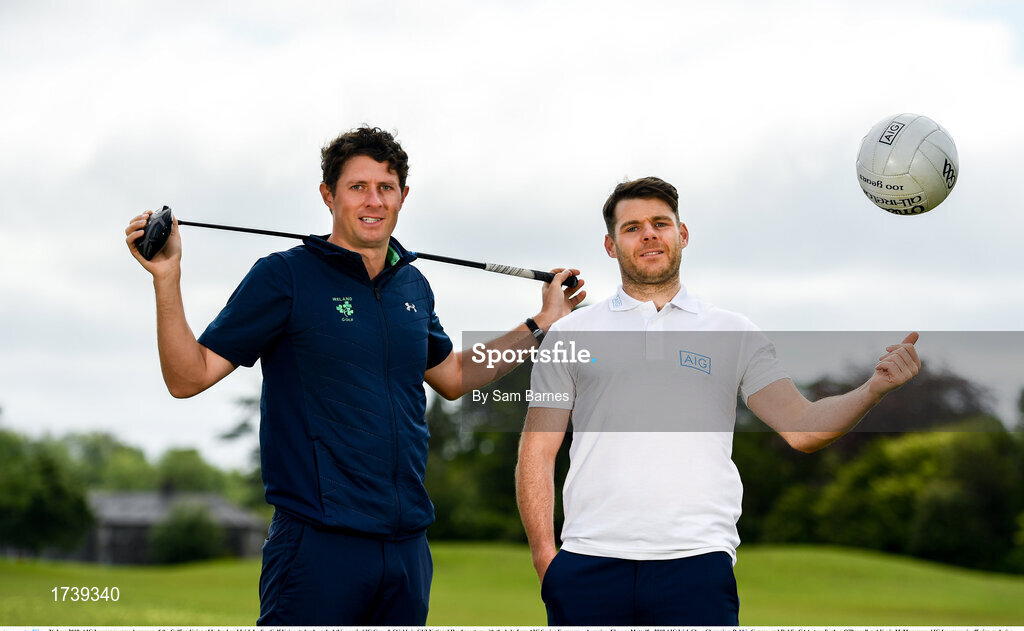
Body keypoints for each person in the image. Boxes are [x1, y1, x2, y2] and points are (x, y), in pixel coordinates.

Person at [124, 126, 586, 626]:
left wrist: (541, 325)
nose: (374, 201)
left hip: (407, 549)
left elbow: (453, 376)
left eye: (386, 188)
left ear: (404, 197)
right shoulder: (284, 276)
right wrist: (168, 277)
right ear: (328, 195)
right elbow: (187, 377)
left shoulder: (413, 284)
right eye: (357, 187)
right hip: (317, 546)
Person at [515, 176, 920, 626]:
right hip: (587, 561)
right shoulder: (570, 333)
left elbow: (803, 428)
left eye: (660, 223)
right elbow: (538, 450)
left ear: (681, 235)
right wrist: (545, 559)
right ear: (611, 246)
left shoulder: (734, 331)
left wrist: (872, 390)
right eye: (631, 228)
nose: (649, 233)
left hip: (697, 565)